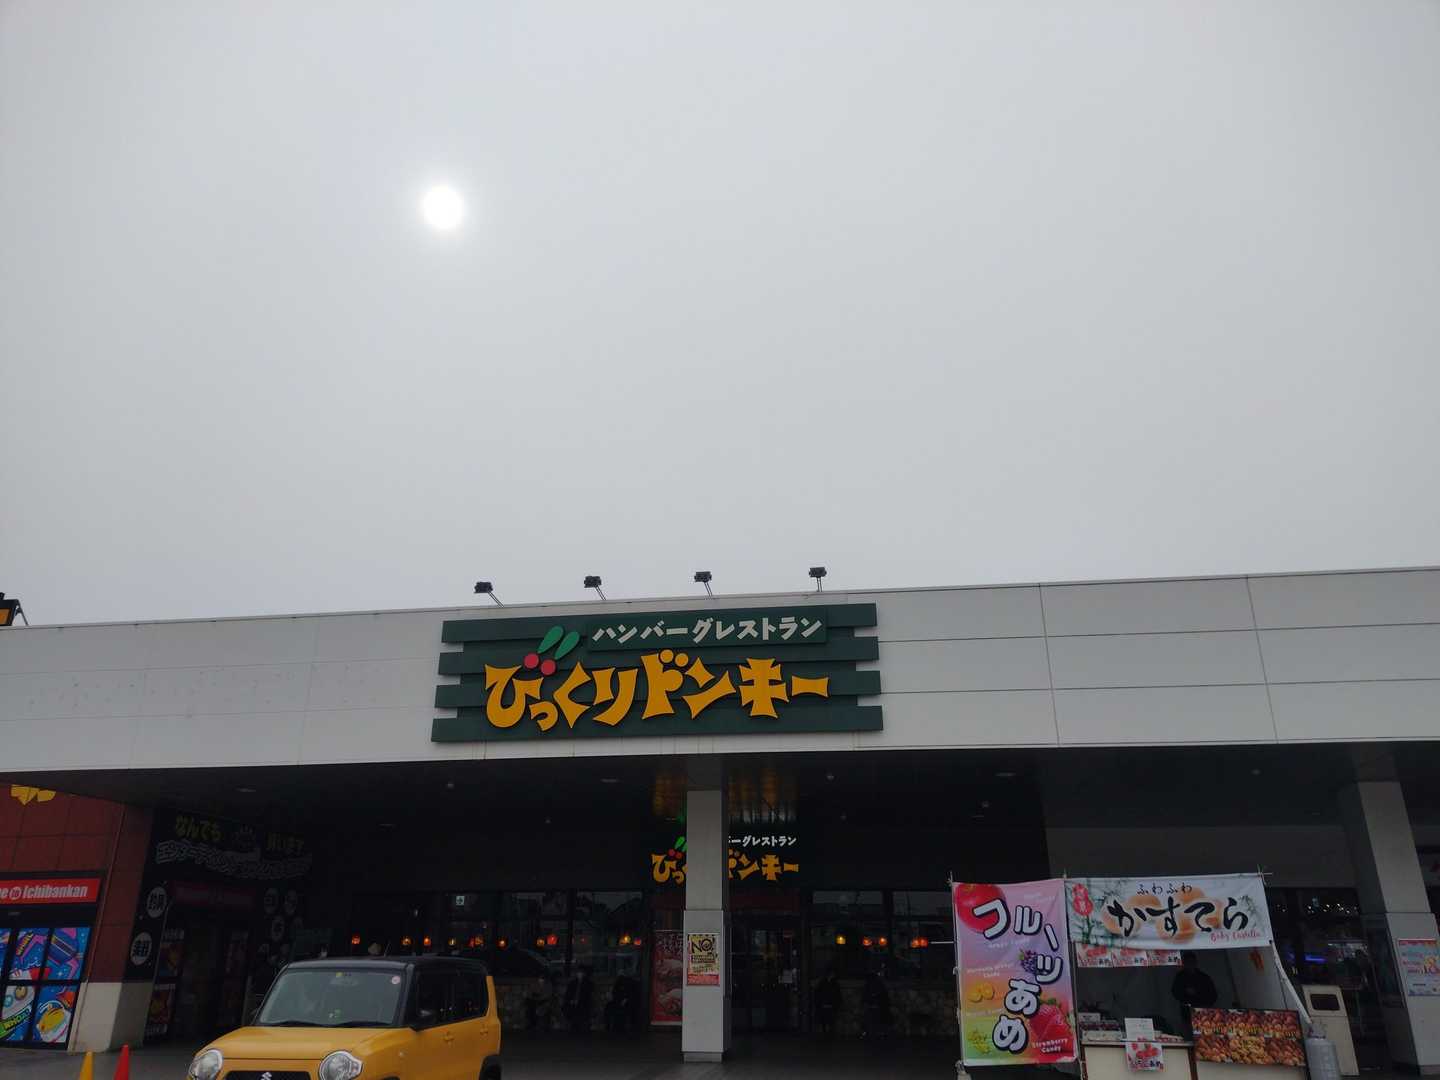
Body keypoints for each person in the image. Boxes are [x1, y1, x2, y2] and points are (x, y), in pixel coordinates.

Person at [1171, 952, 1218, 1032]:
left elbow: (1213, 995)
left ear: (1195, 962)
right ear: (1184, 964)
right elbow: (1175, 992)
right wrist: (1185, 993)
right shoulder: (1180, 977)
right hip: (1187, 1012)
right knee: (1189, 1033)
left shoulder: (1204, 977)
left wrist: (1200, 995)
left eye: (1191, 962)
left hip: (1203, 1012)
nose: (1190, 964)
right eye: (1187, 962)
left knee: (1204, 1033)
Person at [860, 970, 891, 1039]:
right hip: (876, 1007)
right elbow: (884, 997)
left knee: (872, 1022)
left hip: (875, 1007)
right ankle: (875, 1034)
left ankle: (870, 1034)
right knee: (875, 1022)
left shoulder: (870, 985)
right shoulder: (878, 985)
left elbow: (865, 996)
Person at [564, 965, 594, 1032]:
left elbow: (588, 996)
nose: (579, 974)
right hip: (573, 1003)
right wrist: (571, 1000)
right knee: (570, 1008)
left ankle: (580, 1026)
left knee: (581, 1010)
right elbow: (568, 994)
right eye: (578, 972)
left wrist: (578, 1000)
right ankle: (573, 1026)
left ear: (584, 973)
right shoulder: (572, 983)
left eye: (581, 972)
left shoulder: (588, 983)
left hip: (583, 1003)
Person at [815, 971, 841, 1037]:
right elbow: (819, 994)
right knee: (825, 1020)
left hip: (830, 1004)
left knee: (830, 1020)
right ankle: (826, 1033)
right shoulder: (824, 983)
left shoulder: (833, 984)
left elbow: (837, 995)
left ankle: (829, 1033)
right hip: (825, 1004)